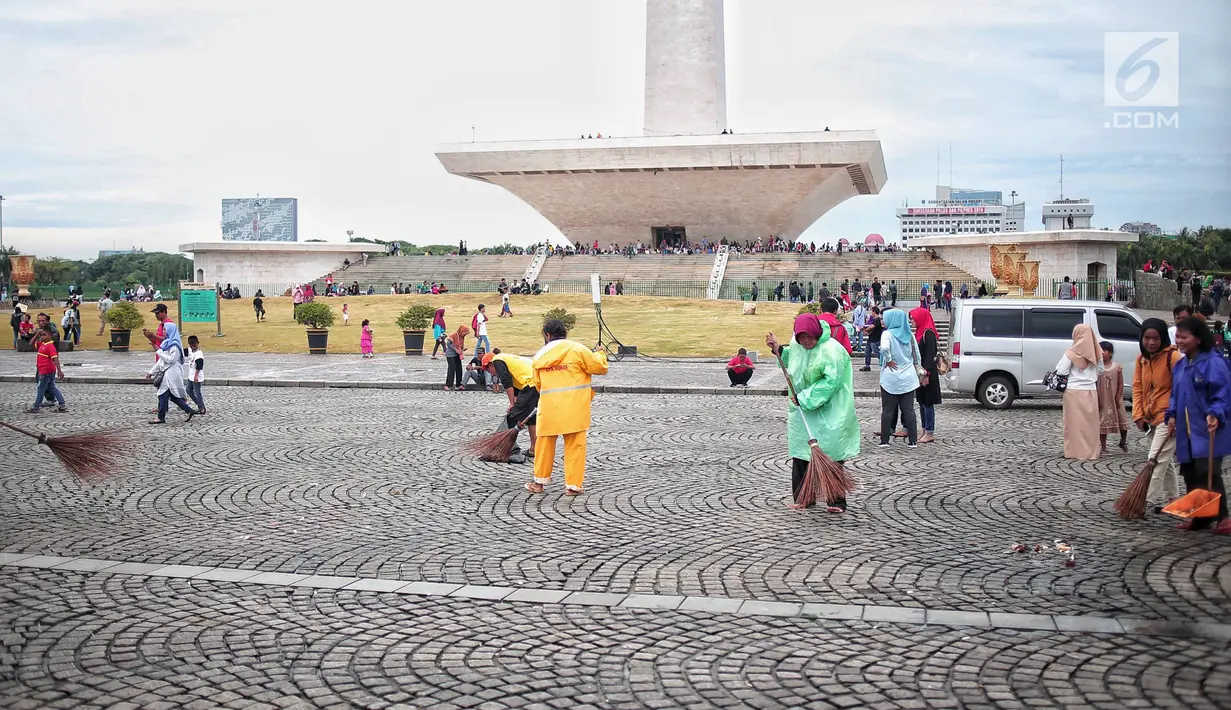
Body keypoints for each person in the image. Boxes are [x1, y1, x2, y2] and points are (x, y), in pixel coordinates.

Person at [764, 313, 859, 512]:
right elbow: (793, 358)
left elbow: (831, 382)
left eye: (809, 336)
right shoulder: (798, 344)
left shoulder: (832, 351)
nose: (805, 341)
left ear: (816, 332)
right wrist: (778, 349)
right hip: (802, 411)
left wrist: (805, 398)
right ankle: (804, 497)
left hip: (830, 410)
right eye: (801, 337)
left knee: (831, 455)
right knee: (801, 455)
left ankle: (836, 500)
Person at [526, 319, 609, 495]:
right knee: (575, 446)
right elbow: (600, 367)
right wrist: (601, 353)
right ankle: (573, 485)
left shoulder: (540, 356)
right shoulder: (578, 350)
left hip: (549, 408)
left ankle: (539, 483)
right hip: (575, 407)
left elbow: (538, 384)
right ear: (565, 333)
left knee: (544, 445)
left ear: (547, 336)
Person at [1165, 317, 1231, 534]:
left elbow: (1222, 393)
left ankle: (1223, 517)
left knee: (1207, 471)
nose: (1179, 341)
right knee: (1190, 472)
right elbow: (1175, 394)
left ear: (1198, 339)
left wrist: (1215, 413)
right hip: (1187, 429)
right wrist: (1172, 414)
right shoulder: (1181, 365)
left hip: (1209, 427)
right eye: (1178, 337)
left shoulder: (1214, 363)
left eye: (1184, 337)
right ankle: (1200, 515)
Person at [1134, 319, 1181, 512]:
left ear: (1163, 338)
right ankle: (1173, 500)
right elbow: (1137, 388)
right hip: (1150, 417)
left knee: (1155, 459)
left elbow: (1182, 389)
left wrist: (1175, 415)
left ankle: (1145, 501)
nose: (1151, 342)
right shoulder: (1141, 359)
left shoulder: (1174, 357)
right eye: (1147, 338)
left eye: (1155, 338)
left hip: (1169, 416)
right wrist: (1138, 415)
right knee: (1164, 459)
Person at [1057, 324, 1102, 460]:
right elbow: (1101, 371)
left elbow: (1061, 371)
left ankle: (1074, 452)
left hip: (1073, 392)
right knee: (1090, 424)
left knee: (1073, 424)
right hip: (1091, 391)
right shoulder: (1097, 352)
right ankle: (1091, 452)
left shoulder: (1071, 353)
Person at [878, 309, 920, 448]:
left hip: (891, 376)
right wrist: (918, 367)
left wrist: (889, 359)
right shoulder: (909, 335)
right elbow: (916, 355)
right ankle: (913, 441)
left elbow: (884, 348)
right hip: (908, 377)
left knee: (888, 410)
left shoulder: (887, 334)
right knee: (909, 410)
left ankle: (885, 441)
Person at [486, 350, 539, 460]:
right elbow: (516, 388)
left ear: (490, 364)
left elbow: (506, 381)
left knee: (513, 416)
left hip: (530, 384)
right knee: (532, 418)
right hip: (536, 383)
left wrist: (512, 404)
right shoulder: (507, 359)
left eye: (488, 369)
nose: (491, 373)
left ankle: (503, 447)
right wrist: (514, 401)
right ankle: (534, 449)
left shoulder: (497, 360)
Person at [146, 321, 196, 425]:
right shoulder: (167, 343)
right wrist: (151, 372)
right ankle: (189, 410)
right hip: (167, 372)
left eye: (165, 330)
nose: (163, 332)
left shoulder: (174, 345)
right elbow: (162, 360)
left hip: (171, 373)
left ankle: (161, 417)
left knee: (163, 394)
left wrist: (158, 350)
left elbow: (171, 359)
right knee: (173, 396)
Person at [910, 307, 941, 444]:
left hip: (927, 373)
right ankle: (924, 429)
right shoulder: (920, 332)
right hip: (921, 372)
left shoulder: (928, 333)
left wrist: (927, 374)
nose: (911, 321)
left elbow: (929, 356)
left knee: (928, 403)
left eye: (913, 318)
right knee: (922, 402)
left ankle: (929, 432)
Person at [1097, 341, 1129, 456]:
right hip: (1103, 398)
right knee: (1102, 421)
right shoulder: (1097, 367)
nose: (1102, 353)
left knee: (1122, 419)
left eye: (1104, 351)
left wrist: (1118, 396)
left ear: (1110, 353)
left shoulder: (1116, 367)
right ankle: (1103, 446)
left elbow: (1120, 383)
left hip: (1115, 397)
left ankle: (1123, 441)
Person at [26, 329, 67, 413]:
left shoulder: (50, 346)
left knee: (41, 388)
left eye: (44, 335)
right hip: (46, 369)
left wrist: (60, 371)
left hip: (46, 370)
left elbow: (55, 358)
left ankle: (36, 406)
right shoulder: (42, 344)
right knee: (52, 386)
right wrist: (37, 334)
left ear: (50, 336)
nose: (42, 337)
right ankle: (62, 404)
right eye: (41, 335)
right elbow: (30, 344)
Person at [443, 325, 469, 391]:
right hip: (450, 355)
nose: (465, 335)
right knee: (452, 369)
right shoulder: (454, 335)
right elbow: (448, 344)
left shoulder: (461, 337)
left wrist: (462, 349)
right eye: (464, 333)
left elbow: (459, 345)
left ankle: (458, 384)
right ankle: (448, 385)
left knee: (459, 369)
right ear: (461, 331)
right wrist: (455, 350)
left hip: (457, 355)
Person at [185, 334, 206, 414]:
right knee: (188, 390)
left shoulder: (199, 354)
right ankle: (200, 404)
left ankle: (202, 408)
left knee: (197, 392)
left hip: (196, 376)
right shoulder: (190, 350)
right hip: (191, 375)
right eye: (191, 344)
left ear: (198, 343)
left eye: (194, 344)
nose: (193, 346)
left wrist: (196, 376)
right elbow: (183, 352)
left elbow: (199, 366)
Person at [860, 307, 883, 372]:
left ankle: (885, 362)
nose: (871, 313)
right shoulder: (874, 319)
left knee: (876, 353)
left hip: (875, 339)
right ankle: (867, 366)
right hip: (871, 338)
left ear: (874, 312)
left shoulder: (877, 319)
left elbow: (873, 326)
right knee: (867, 352)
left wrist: (865, 329)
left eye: (871, 311)